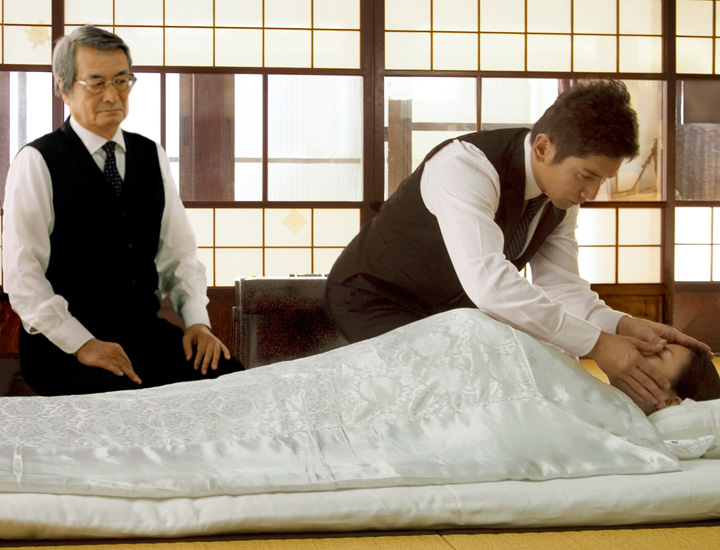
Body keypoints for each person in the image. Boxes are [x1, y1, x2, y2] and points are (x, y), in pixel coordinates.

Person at [325, 80, 711, 413]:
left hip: (451, 314)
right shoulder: (466, 167)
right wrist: (598, 344)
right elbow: (489, 284)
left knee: (529, 375)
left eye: (601, 180)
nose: (591, 193)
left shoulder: (561, 199)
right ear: (543, 148)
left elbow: (561, 287)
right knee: (459, 394)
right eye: (586, 175)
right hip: (372, 298)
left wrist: (621, 325)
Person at [2, 25, 244, 396]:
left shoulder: (151, 155)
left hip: (141, 334)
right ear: (64, 88)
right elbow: (23, 277)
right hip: (64, 344)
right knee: (123, 403)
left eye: (121, 80)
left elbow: (179, 256)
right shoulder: (37, 161)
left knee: (231, 380)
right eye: (96, 83)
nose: (113, 95)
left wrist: (197, 323)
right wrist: (82, 343)